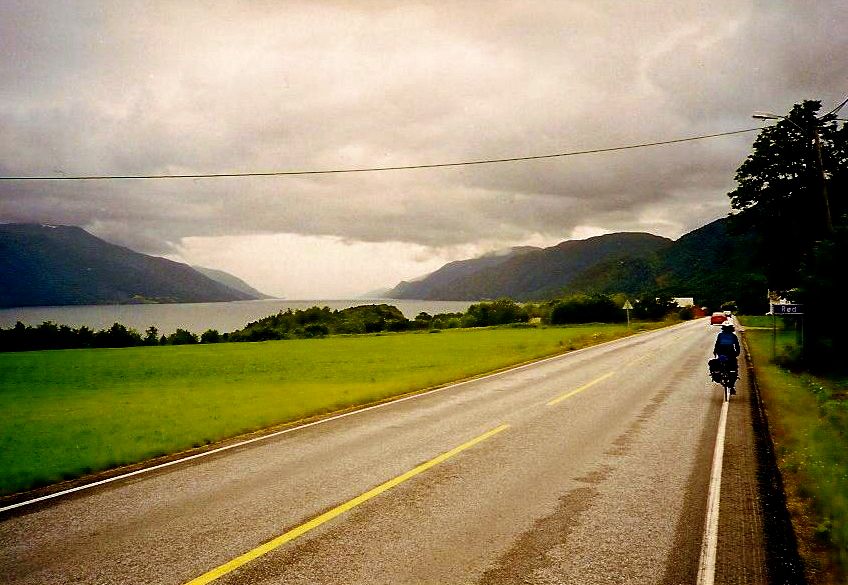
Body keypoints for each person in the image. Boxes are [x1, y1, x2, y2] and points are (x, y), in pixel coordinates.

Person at [713, 323, 741, 394]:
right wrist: (737, 353)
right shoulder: (733, 336)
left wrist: (715, 352)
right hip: (731, 354)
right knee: (734, 369)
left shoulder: (720, 335)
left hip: (721, 353)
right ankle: (731, 386)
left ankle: (721, 373)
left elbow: (717, 344)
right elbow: (737, 346)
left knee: (721, 364)